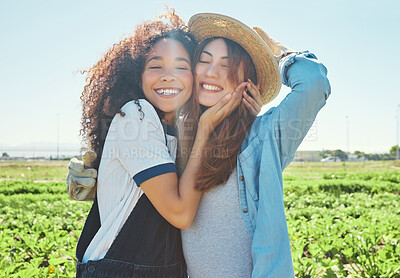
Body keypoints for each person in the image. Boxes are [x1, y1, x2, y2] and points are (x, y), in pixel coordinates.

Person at [69, 12, 331, 278]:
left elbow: (314, 84)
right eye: (203, 61)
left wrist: (280, 55)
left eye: (227, 66)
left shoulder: (262, 136)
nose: (211, 72)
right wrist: (102, 174)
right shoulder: (183, 138)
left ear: (247, 81)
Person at [72, 10, 247, 278]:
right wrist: (204, 129)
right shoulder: (137, 114)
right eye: (155, 66)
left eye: (181, 66)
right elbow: (180, 213)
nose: (168, 76)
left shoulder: (177, 130)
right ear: (136, 76)